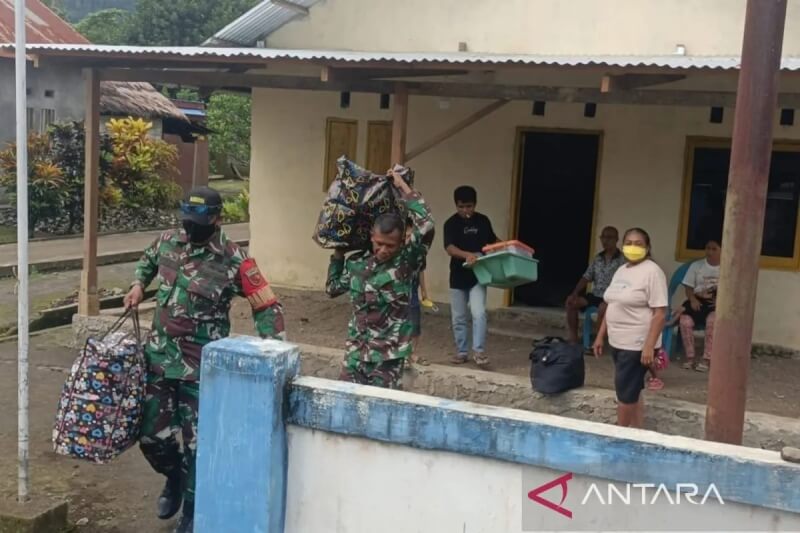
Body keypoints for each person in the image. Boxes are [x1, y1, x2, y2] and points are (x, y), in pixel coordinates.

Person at [123, 186, 285, 533]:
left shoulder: (234, 258)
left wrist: (274, 351)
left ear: (217, 218)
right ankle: (175, 477)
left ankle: (194, 510)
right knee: (151, 436)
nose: (190, 227)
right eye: (187, 220)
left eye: (198, 221)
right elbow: (148, 262)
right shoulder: (168, 240)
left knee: (199, 444)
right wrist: (138, 284)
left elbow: (267, 304)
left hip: (201, 372)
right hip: (159, 361)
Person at [326, 170, 434, 389]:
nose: (383, 250)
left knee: (380, 413)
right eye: (379, 243)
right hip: (355, 353)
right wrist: (338, 255)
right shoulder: (358, 264)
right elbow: (333, 288)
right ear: (371, 238)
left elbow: (426, 226)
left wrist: (403, 186)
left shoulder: (406, 262)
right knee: (345, 405)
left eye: (390, 245)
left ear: (401, 242)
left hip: (387, 357)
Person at [593, 228, 667, 428]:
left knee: (624, 395)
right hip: (618, 341)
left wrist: (649, 346)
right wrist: (600, 336)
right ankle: (638, 432)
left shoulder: (652, 272)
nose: (633, 247)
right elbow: (611, 304)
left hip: (636, 345)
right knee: (632, 391)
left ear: (648, 247)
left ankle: (620, 436)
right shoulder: (622, 270)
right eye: (629, 243)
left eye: (639, 243)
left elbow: (660, 313)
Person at [444, 186, 499, 367]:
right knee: (458, 317)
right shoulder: (450, 223)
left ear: (475, 204)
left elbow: (493, 240)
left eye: (469, 206)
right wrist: (467, 255)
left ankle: (479, 351)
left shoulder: (483, 221)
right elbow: (450, 248)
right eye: (461, 207)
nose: (465, 211)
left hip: (479, 275)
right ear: (456, 205)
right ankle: (461, 352)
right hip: (458, 277)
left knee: (479, 313)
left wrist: (507, 246)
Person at [565, 226, 625, 345]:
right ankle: (573, 338)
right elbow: (586, 277)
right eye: (603, 237)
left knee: (603, 308)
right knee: (571, 302)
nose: (605, 240)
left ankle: (598, 341)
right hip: (595, 295)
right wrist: (575, 293)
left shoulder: (622, 260)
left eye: (609, 237)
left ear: (617, 239)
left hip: (611, 298)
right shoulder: (598, 258)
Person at [678, 238, 721, 372]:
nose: (710, 252)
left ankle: (707, 359)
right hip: (697, 301)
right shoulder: (697, 266)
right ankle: (690, 357)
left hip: (716, 304)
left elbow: (733, 290)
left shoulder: (728, 267)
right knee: (684, 321)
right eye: (708, 248)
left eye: (714, 249)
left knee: (713, 321)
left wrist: (721, 302)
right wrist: (692, 299)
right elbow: (689, 287)